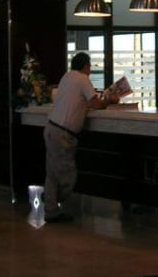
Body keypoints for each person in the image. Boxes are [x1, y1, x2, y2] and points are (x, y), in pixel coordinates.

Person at [43, 52, 119, 223]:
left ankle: (50, 209)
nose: (90, 70)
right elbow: (95, 103)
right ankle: (51, 201)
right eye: (90, 67)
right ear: (86, 66)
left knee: (52, 174)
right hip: (63, 134)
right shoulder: (83, 79)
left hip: (51, 128)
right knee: (68, 176)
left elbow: (77, 101)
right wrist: (109, 101)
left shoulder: (66, 77)